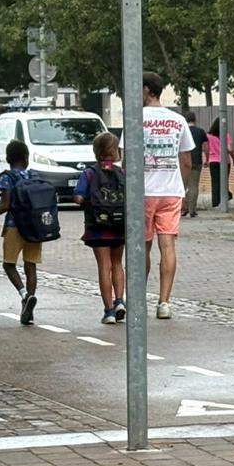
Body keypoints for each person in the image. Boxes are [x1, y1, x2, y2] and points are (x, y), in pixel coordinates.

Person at [139, 71, 194, 319]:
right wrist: (181, 187)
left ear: (147, 90)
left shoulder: (135, 119)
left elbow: (127, 160)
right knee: (168, 245)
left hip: (144, 191)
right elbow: (186, 160)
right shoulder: (178, 120)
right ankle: (164, 302)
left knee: (143, 247)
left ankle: (139, 297)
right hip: (171, 191)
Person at [0, 139, 40, 326]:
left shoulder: (7, 178)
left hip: (14, 226)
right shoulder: (34, 175)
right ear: (26, 158)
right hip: (35, 227)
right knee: (31, 266)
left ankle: (25, 295)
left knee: (8, 264)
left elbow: (5, 205)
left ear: (8, 158)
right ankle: (29, 307)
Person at [74, 132, 127, 323]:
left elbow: (78, 197)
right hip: (119, 225)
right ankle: (119, 300)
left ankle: (109, 311)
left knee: (104, 266)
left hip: (98, 227)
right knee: (117, 263)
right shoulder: (122, 173)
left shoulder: (89, 173)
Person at [183, 111, 207, 218]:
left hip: (184, 161)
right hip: (196, 161)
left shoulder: (183, 130)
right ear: (195, 119)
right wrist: (207, 159)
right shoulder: (200, 131)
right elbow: (206, 147)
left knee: (184, 186)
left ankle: (184, 208)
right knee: (194, 186)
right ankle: (192, 210)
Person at [206, 119, 224, 208]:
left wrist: (206, 159)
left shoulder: (208, 136)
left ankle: (215, 202)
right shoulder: (224, 135)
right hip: (222, 161)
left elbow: (205, 147)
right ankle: (222, 200)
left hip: (212, 161)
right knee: (222, 181)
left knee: (214, 182)